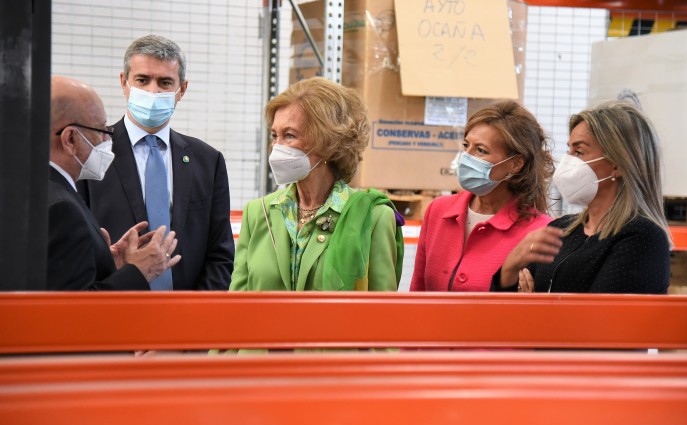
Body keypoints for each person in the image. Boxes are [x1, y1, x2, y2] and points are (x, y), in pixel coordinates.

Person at [79, 35, 235, 290]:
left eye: (165, 82)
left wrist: (195, 316)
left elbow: (220, 254)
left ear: (181, 90)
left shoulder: (208, 161)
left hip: (187, 318)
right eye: (142, 80)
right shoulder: (91, 151)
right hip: (114, 312)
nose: (153, 91)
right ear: (124, 82)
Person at [231, 77, 403, 292]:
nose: (276, 147)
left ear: (328, 142)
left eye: (289, 135)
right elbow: (238, 302)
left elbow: (382, 313)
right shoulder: (258, 213)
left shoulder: (374, 216)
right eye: (275, 135)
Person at [492, 100, 671, 294]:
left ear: (618, 165)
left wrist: (535, 305)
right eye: (568, 150)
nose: (567, 161)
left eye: (579, 151)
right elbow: (503, 305)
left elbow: (600, 318)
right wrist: (509, 270)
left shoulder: (642, 237)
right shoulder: (560, 230)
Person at [48, 76, 180, 290]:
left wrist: (105, 263)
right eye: (101, 131)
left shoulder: (42, 190)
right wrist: (137, 272)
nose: (106, 141)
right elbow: (72, 311)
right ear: (70, 139)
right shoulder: (60, 208)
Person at [410, 101, 554, 292]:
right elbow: (417, 294)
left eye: (481, 150)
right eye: (466, 145)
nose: (466, 157)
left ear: (515, 164)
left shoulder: (540, 231)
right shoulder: (438, 211)